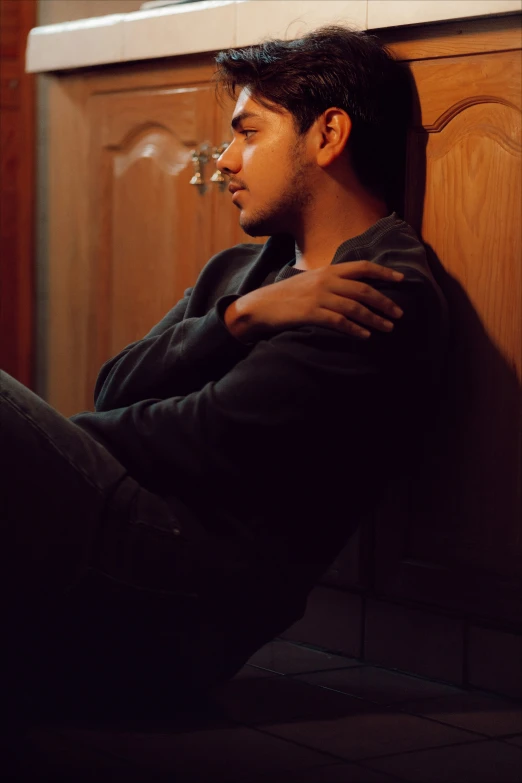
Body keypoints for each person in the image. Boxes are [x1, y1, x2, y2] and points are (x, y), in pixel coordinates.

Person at [1, 25, 448, 721]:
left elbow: (207, 434)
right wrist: (239, 317)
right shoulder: (245, 274)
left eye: (249, 132)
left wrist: (56, 445)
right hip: (128, 536)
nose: (226, 161)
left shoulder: (379, 289)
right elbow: (116, 383)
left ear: (328, 135)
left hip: (177, 591)